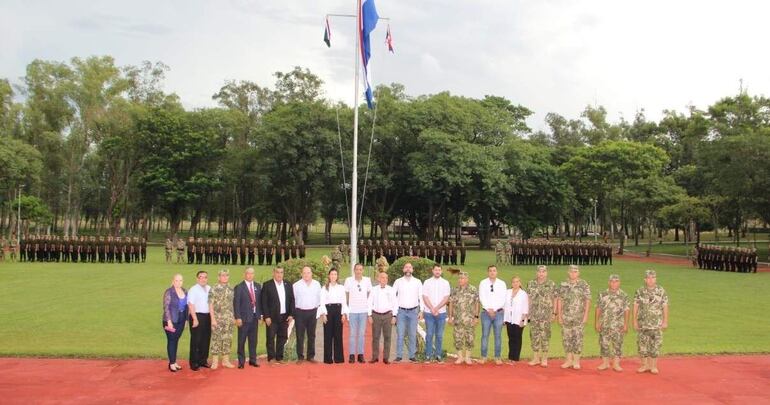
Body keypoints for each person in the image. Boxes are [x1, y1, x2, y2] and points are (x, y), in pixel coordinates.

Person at [634, 270, 669, 374]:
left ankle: (653, 366)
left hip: (656, 324)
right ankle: (644, 365)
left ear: (656, 279)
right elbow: (636, 306)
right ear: (645, 280)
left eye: (653, 278)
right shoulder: (640, 291)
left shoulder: (661, 291)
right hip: (643, 324)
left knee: (655, 345)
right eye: (648, 278)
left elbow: (665, 306)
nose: (651, 280)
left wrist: (665, 321)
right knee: (642, 346)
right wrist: (634, 321)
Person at [557, 265, 591, 370]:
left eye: (575, 272)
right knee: (566, 339)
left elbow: (587, 300)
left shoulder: (583, 284)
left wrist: (586, 315)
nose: (573, 274)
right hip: (566, 316)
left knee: (577, 339)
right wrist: (559, 315)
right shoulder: (563, 285)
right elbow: (560, 300)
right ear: (568, 272)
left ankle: (576, 361)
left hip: (578, 317)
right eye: (571, 272)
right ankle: (568, 360)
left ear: (578, 273)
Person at [595, 274, 630, 372]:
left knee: (617, 344)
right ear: (609, 282)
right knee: (604, 344)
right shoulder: (603, 294)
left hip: (618, 325)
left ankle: (616, 364)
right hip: (605, 324)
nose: (614, 283)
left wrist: (626, 324)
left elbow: (627, 310)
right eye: (612, 281)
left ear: (619, 283)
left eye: (616, 281)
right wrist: (597, 322)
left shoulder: (624, 295)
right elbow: (598, 309)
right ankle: (605, 363)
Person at [261, 266, 295, 363]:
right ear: (274, 273)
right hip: (271, 317)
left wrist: (291, 314)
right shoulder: (267, 285)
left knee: (282, 337)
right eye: (277, 272)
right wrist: (266, 316)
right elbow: (264, 302)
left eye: (281, 272)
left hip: (284, 317)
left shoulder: (288, 284)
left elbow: (292, 300)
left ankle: (279, 357)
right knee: (270, 337)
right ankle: (271, 357)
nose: (279, 274)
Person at [527, 265, 557, 367]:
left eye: (543, 272)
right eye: (539, 272)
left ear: (546, 273)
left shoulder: (551, 284)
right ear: (536, 273)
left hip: (546, 315)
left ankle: (544, 359)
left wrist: (554, 313)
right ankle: (535, 358)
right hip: (534, 315)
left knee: (545, 337)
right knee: (534, 336)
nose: (541, 274)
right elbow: (529, 299)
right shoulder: (531, 284)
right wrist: (528, 312)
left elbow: (555, 299)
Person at [393, 262, 423, 362]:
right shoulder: (398, 282)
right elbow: (393, 297)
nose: (408, 269)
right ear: (403, 270)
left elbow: (421, 297)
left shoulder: (417, 282)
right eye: (406, 267)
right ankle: (399, 355)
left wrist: (421, 310)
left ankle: (412, 355)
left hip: (413, 312)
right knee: (400, 334)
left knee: (412, 334)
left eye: (410, 267)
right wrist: (394, 313)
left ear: (412, 270)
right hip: (401, 312)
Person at [448, 271, 479, 365]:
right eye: (459, 278)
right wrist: (450, 317)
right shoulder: (455, 290)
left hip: (469, 319)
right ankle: (460, 357)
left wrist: (476, 317)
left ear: (467, 279)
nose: (460, 280)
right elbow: (451, 304)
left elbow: (477, 303)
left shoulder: (473, 289)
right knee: (458, 338)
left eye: (462, 278)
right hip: (458, 319)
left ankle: (468, 357)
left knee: (470, 338)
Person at [233, 267, 262, 368]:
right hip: (243, 318)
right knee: (241, 340)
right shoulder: (239, 287)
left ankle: (253, 360)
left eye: (252, 273)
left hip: (254, 317)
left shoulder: (258, 286)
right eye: (248, 273)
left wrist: (260, 315)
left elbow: (260, 303)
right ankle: (241, 362)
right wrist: (237, 317)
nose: (250, 275)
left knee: (253, 340)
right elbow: (236, 304)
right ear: (244, 274)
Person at [319, 268, 349, 364]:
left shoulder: (341, 287)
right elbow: (322, 302)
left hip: (338, 311)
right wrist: (324, 314)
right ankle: (328, 359)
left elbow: (344, 302)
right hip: (328, 311)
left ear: (337, 276)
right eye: (332, 274)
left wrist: (344, 314)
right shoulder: (324, 288)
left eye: (335, 274)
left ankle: (339, 358)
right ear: (329, 276)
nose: (333, 276)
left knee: (338, 335)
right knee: (328, 335)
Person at [422, 264, 451, 363]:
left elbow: (446, 298)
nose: (437, 272)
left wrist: (437, 308)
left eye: (439, 270)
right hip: (429, 313)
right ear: (432, 271)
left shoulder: (445, 283)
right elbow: (425, 297)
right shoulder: (427, 282)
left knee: (439, 335)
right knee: (429, 334)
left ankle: (438, 355)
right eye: (436, 270)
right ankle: (428, 355)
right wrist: (432, 308)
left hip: (441, 313)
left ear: (441, 271)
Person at [292, 266, 321, 363]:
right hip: (300, 312)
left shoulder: (317, 284)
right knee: (300, 335)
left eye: (308, 273)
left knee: (311, 335)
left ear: (311, 273)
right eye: (304, 273)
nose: (306, 275)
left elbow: (319, 298)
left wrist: (318, 311)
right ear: (301, 274)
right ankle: (300, 357)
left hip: (312, 312)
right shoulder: (296, 285)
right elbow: (293, 300)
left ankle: (310, 356)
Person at [479, 265, 507, 364]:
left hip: (498, 313)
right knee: (485, 335)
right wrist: (488, 309)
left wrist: (494, 310)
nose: (492, 272)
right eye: (490, 271)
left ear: (497, 272)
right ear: (488, 272)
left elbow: (503, 298)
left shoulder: (502, 283)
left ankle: (497, 357)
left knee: (498, 336)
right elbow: (482, 297)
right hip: (486, 313)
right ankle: (483, 356)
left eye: (494, 271)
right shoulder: (483, 283)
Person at [368, 271, 397, 364]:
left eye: (386, 278)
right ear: (378, 279)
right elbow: (369, 303)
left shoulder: (391, 290)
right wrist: (369, 315)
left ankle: (386, 358)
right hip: (376, 315)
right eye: (382, 277)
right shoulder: (373, 289)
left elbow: (395, 304)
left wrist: (394, 316)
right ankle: (375, 357)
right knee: (375, 337)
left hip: (388, 315)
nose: (384, 279)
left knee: (387, 337)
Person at [344, 263, 372, 363]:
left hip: (363, 311)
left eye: (360, 269)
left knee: (361, 334)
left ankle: (360, 355)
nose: (358, 271)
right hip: (352, 311)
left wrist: (366, 306)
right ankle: (351, 355)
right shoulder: (348, 280)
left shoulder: (367, 280)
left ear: (363, 270)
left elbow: (369, 293)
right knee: (352, 334)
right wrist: (347, 307)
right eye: (357, 269)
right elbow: (346, 294)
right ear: (354, 270)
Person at [209, 269, 235, 370]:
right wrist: (212, 319)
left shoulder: (231, 288)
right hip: (217, 318)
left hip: (228, 318)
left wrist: (233, 316)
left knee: (227, 339)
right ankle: (215, 361)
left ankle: (225, 360)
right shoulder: (214, 288)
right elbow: (210, 304)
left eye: (226, 275)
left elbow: (232, 304)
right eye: (223, 276)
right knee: (216, 339)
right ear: (218, 277)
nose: (225, 277)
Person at [187, 271, 212, 371]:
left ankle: (203, 360)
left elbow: (211, 304)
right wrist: (195, 319)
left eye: (205, 277)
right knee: (196, 340)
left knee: (206, 339)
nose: (203, 279)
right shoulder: (193, 289)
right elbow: (191, 304)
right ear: (197, 279)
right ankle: (194, 362)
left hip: (207, 316)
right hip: (197, 316)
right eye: (201, 277)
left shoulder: (209, 288)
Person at [162, 274, 187, 372]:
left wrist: (186, 320)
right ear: (173, 281)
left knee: (176, 340)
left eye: (180, 280)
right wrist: (169, 321)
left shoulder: (185, 291)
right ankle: (171, 363)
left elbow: (187, 307)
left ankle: (174, 361)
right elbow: (166, 307)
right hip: (171, 320)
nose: (178, 282)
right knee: (171, 340)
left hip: (181, 319)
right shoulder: (169, 292)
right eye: (176, 280)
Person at [503, 275, 529, 364]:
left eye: (517, 281)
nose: (515, 283)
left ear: (520, 283)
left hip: (519, 320)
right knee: (511, 338)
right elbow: (504, 306)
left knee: (517, 338)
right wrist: (504, 319)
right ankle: (510, 357)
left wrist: (522, 320)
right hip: (509, 319)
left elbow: (526, 308)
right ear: (511, 283)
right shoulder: (507, 292)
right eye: (514, 282)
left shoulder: (523, 294)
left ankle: (515, 358)